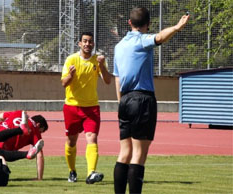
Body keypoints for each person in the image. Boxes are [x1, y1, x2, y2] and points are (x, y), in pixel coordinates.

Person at [113, 7, 190, 194]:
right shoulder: (142, 41)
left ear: (129, 23)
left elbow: (117, 77)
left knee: (124, 153)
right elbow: (160, 38)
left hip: (124, 100)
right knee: (139, 154)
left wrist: (121, 103)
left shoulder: (119, 46)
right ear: (148, 24)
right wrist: (177, 27)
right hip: (142, 99)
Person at [61, 32, 112, 184]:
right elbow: (64, 82)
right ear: (79, 43)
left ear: (93, 44)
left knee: (92, 138)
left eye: (90, 42)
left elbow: (108, 81)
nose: (87, 44)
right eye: (85, 41)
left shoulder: (99, 60)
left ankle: (91, 173)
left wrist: (102, 66)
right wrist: (70, 75)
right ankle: (72, 171)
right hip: (72, 106)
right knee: (71, 142)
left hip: (91, 107)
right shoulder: (71, 59)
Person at [0, 110, 48, 180]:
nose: (40, 133)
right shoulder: (35, 130)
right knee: (2, 161)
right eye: (41, 131)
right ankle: (27, 154)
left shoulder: (19, 113)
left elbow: (0, 116)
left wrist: (8, 124)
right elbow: (39, 155)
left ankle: (21, 130)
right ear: (38, 125)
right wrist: (39, 178)